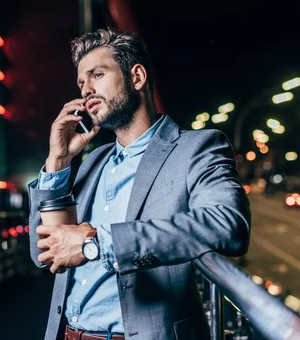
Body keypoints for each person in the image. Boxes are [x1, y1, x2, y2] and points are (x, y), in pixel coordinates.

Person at [27, 28, 251, 340]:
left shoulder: (197, 147)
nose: (86, 90)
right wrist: (57, 162)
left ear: (137, 77)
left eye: (98, 75)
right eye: (81, 83)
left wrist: (97, 244)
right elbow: (45, 253)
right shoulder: (93, 161)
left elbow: (228, 226)